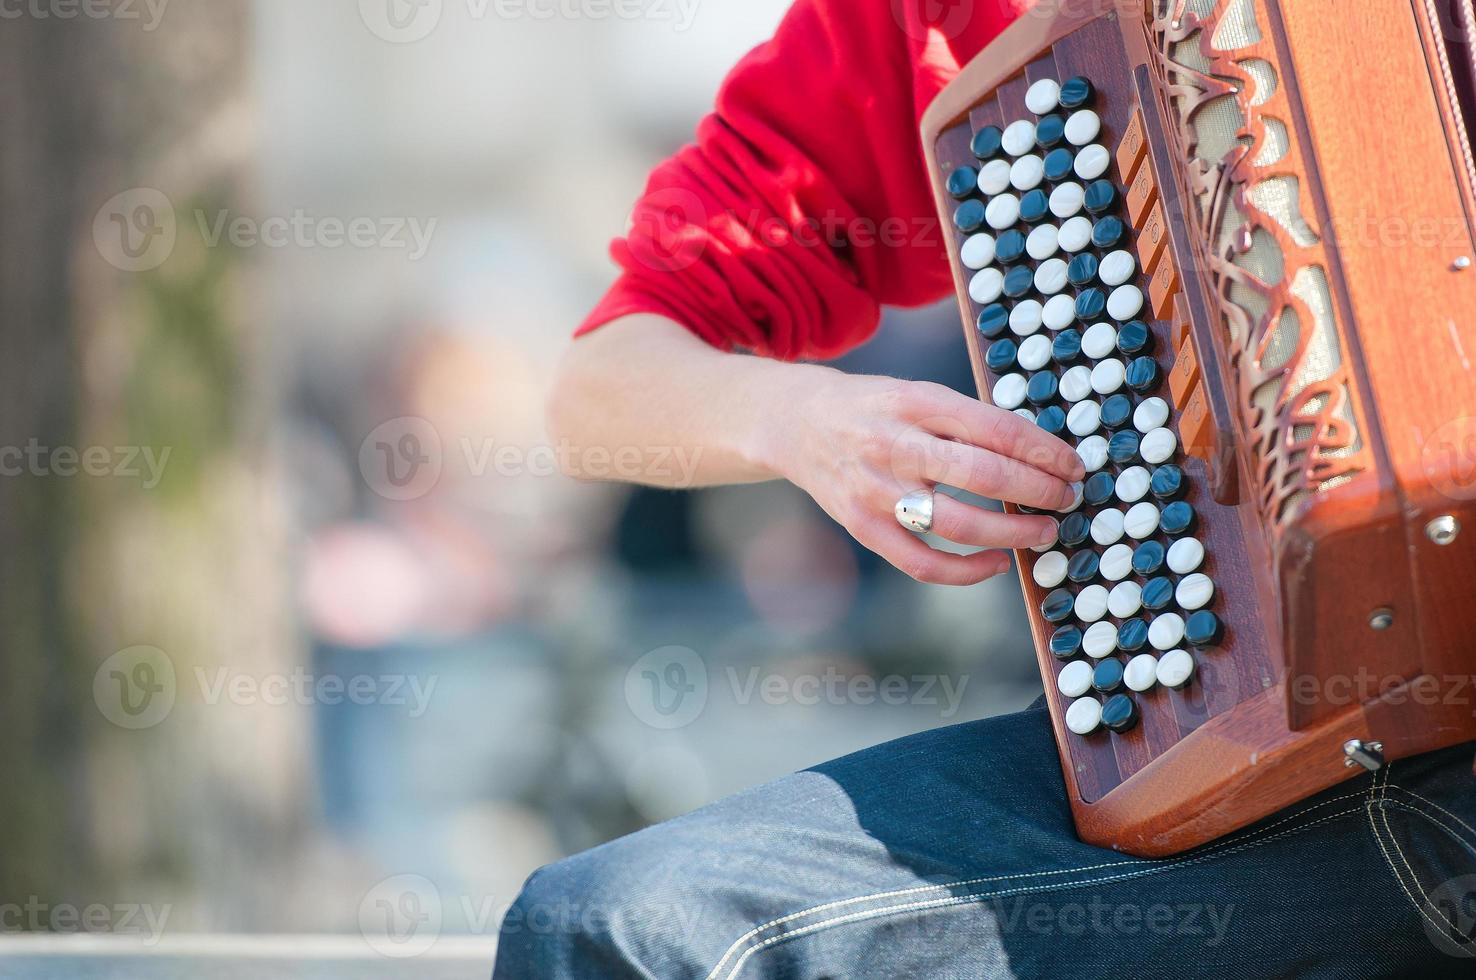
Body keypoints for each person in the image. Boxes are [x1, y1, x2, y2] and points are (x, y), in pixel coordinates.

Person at [493, 1, 1476, 975]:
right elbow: (600, 390)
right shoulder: (955, 17)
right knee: (615, 925)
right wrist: (797, 418)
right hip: (1283, 757)